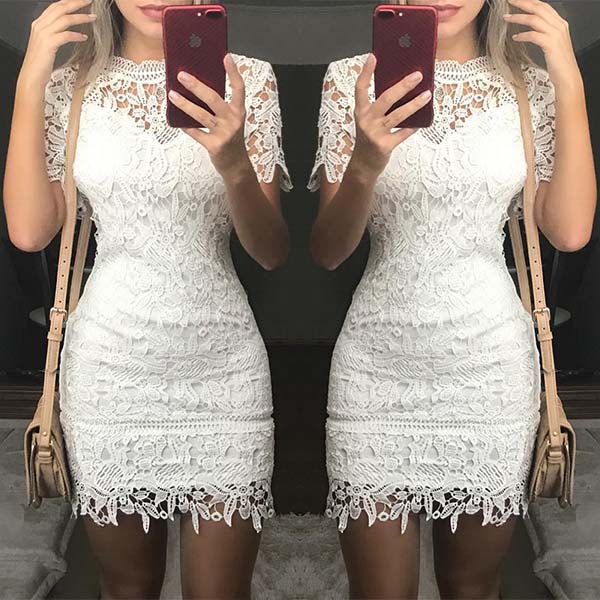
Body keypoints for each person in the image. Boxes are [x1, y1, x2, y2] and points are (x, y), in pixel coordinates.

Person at [307, 0, 596, 598]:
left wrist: (566, 76)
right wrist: (366, 161)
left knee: (472, 586)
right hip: (375, 373)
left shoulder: (529, 87)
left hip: (488, 373)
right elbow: (329, 252)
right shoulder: (350, 79)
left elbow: (568, 231)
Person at [3, 0, 292, 597]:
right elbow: (31, 231)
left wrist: (234, 162)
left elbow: (270, 252)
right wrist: (33, 76)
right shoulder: (70, 86)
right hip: (111, 373)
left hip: (224, 374)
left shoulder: (249, 79)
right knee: (127, 586)